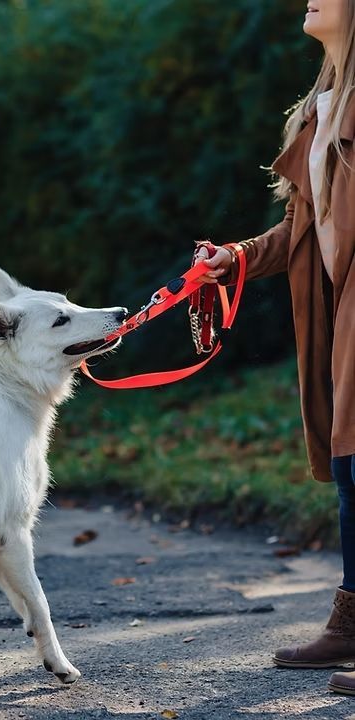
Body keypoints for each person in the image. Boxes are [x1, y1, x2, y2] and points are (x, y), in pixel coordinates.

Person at [194, 0, 355, 696]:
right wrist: (234, 257)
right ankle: (351, 623)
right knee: (351, 467)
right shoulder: (322, 107)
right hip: (338, 304)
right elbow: (300, 227)